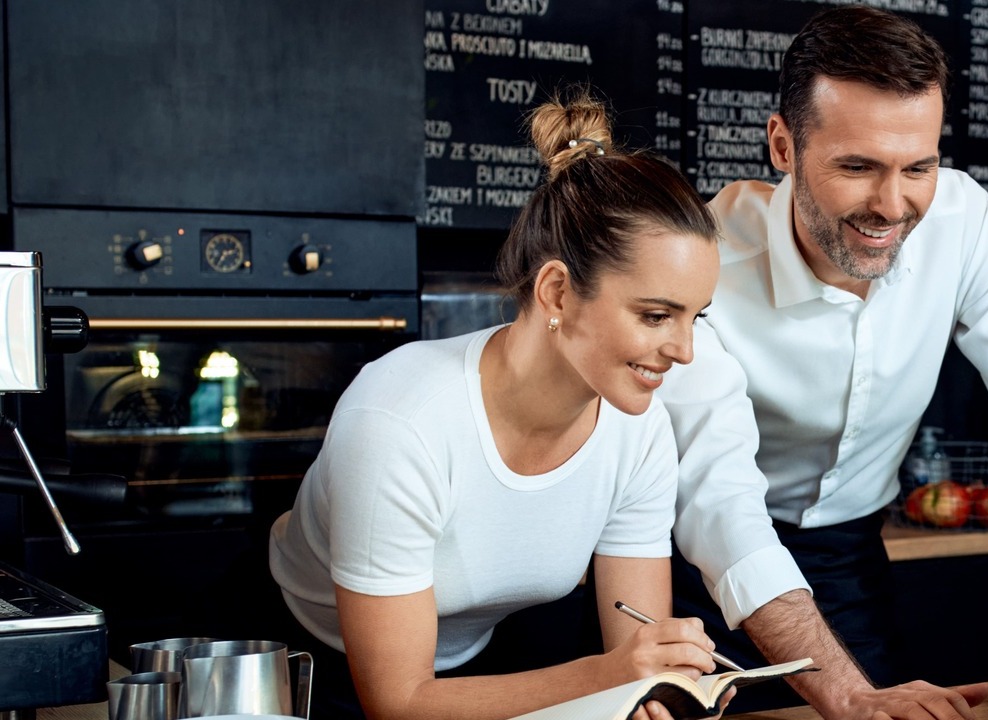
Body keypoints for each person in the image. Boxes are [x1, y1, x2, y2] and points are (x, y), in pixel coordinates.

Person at [657, 5, 988, 719]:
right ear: (782, 146)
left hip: (850, 560)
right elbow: (720, 509)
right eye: (857, 167)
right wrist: (848, 696)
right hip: (691, 572)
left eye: (918, 167)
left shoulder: (961, 223)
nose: (891, 205)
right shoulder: (703, 266)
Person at [266, 88, 727, 720]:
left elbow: (634, 661)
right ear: (558, 292)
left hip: (485, 661)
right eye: (656, 315)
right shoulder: (400, 421)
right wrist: (612, 676)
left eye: (695, 318)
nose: (684, 351)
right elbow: (396, 702)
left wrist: (663, 689)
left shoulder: (639, 431)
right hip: (306, 669)